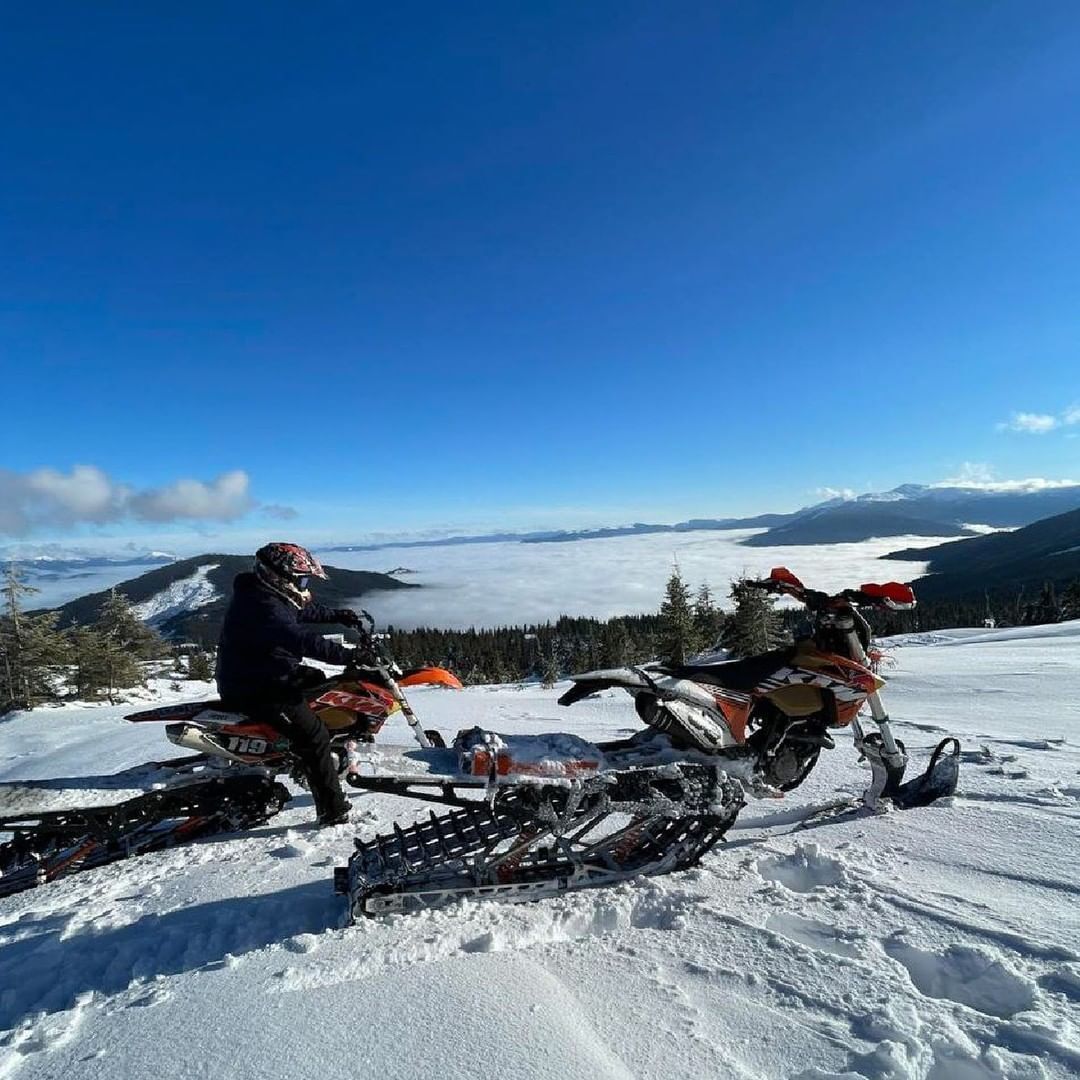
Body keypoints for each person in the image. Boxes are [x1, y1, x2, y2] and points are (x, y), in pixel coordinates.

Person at [215, 542, 368, 826]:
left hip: (265, 672)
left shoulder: (265, 593)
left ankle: (295, 751)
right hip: (257, 686)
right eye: (302, 579)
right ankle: (331, 809)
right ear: (279, 577)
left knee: (317, 682)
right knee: (315, 736)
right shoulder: (262, 606)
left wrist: (337, 615)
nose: (304, 585)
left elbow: (301, 611)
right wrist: (350, 656)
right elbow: (300, 638)